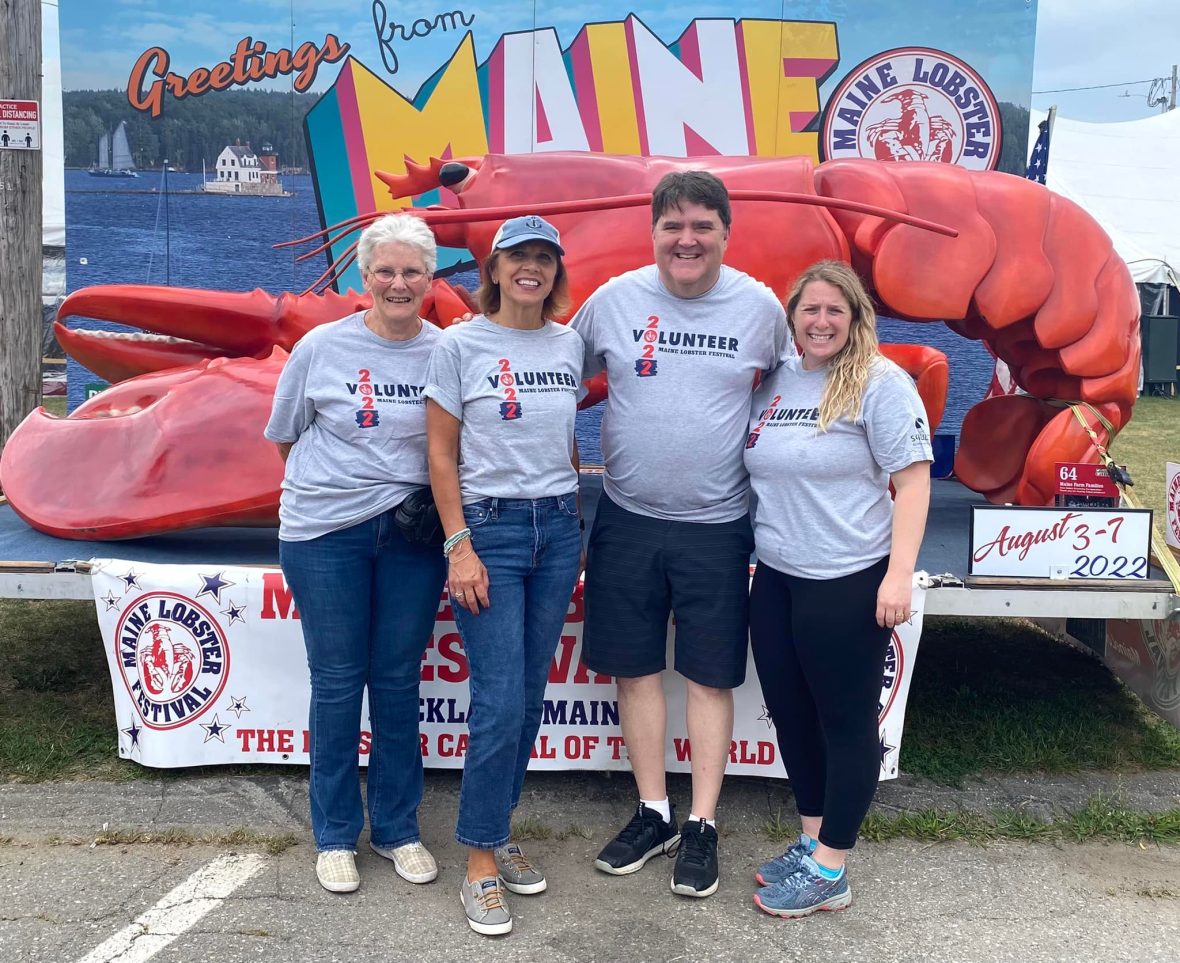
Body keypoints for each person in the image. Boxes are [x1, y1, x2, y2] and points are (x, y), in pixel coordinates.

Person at [572, 171, 788, 898]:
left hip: (718, 526)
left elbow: (798, 395)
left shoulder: (761, 308)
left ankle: (702, 823)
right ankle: (654, 810)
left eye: (702, 225)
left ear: (726, 233)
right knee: (634, 670)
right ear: (653, 233)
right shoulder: (614, 301)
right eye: (673, 226)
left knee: (709, 676)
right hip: (626, 518)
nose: (686, 239)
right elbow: (552, 382)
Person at [264, 213, 446, 894]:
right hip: (324, 533)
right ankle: (335, 832)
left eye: (413, 271)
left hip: (411, 537)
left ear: (431, 279)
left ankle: (397, 827)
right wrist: (343, 492)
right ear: (364, 278)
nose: (399, 283)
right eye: (386, 271)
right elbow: (286, 437)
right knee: (338, 681)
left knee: (397, 681)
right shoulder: (320, 348)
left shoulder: (445, 352)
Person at [744, 260, 932, 917]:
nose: (821, 321)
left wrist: (898, 572)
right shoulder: (776, 380)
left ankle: (833, 868)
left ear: (855, 318)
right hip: (776, 577)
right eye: (809, 310)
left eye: (835, 310)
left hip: (847, 580)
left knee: (845, 722)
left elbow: (912, 482)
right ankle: (809, 839)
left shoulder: (881, 384)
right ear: (791, 317)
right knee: (791, 715)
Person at [424, 215, 585, 936]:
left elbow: (562, 439)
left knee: (527, 692)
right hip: (490, 528)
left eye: (544, 258)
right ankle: (480, 860)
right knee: (495, 698)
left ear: (555, 272)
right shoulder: (459, 344)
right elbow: (438, 454)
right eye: (519, 257)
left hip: (558, 525)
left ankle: (496, 825)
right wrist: (460, 544)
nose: (533, 269)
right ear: (492, 268)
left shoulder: (568, 341)